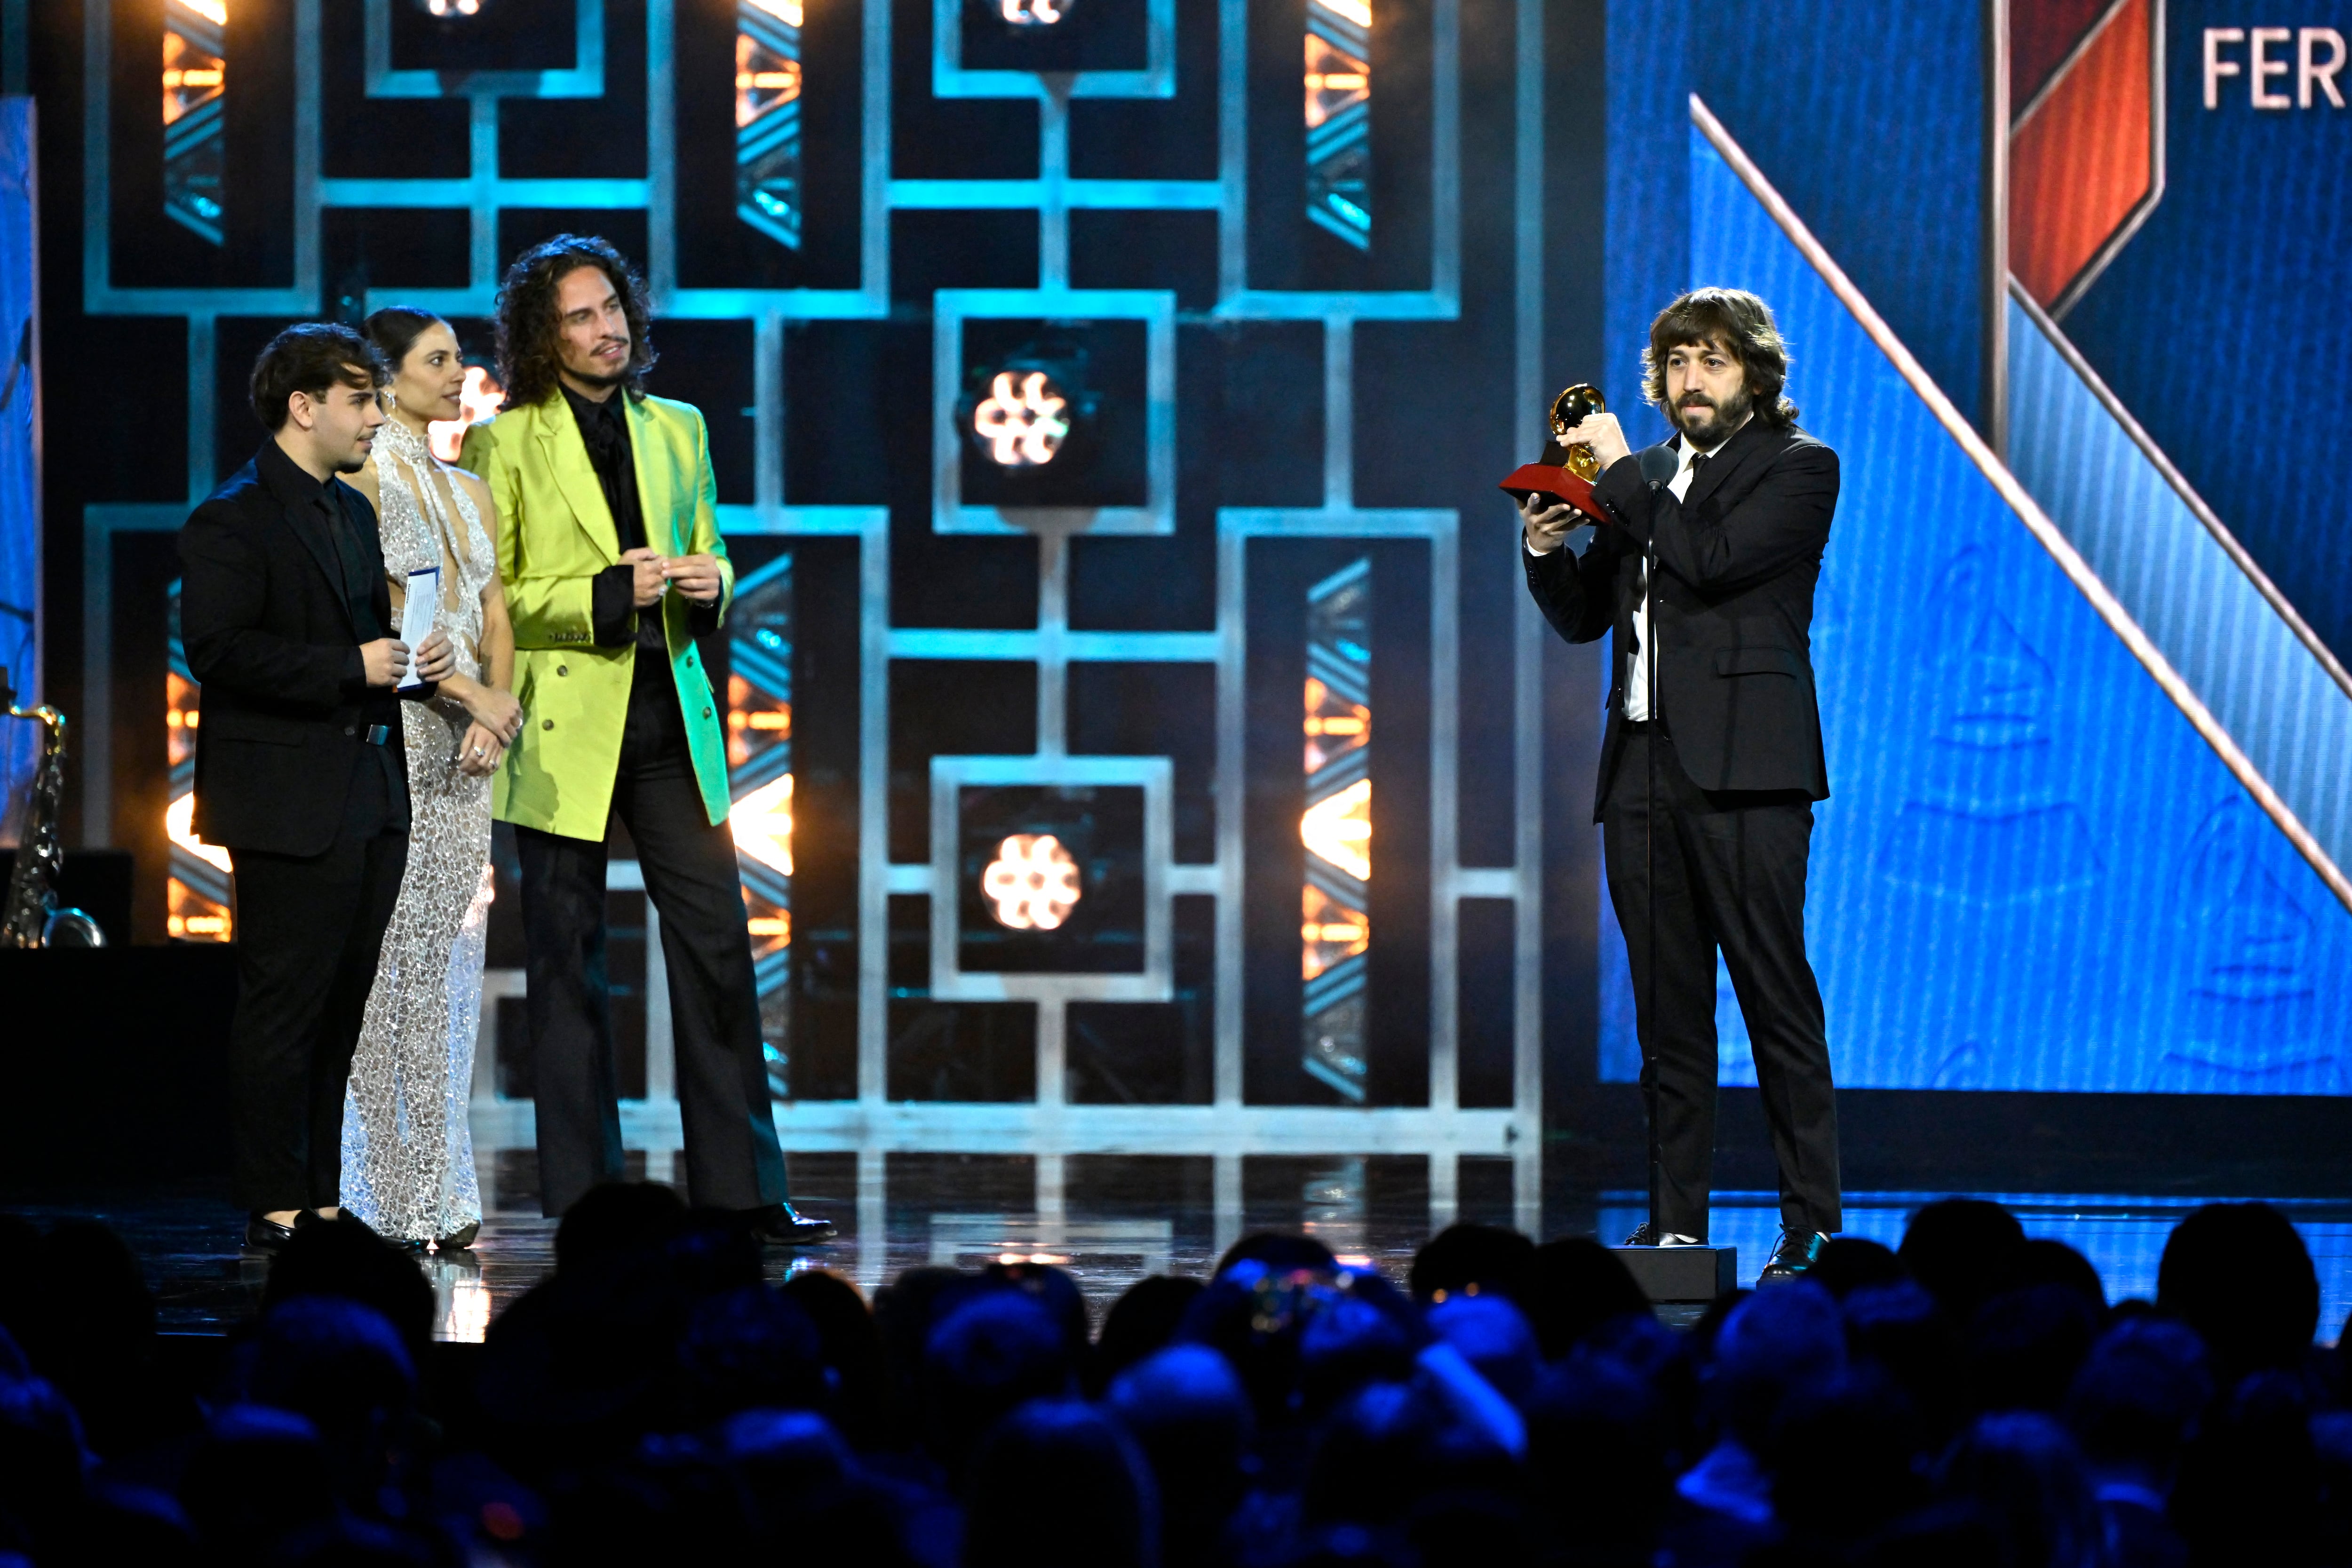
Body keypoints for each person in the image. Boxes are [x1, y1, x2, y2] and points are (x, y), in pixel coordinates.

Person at [460, 235, 831, 1244]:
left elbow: (709, 541)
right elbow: (500, 599)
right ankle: (590, 1203)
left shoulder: (679, 427)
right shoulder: (503, 442)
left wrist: (715, 578)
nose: (605, 327)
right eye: (580, 315)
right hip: (566, 730)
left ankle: (746, 1191)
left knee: (716, 946)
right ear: (544, 334)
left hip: (670, 718)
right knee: (568, 961)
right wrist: (603, 592)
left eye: (613, 308)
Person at [1519, 287, 1841, 1281]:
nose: (1688, 380)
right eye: (1674, 363)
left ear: (1755, 374)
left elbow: (1708, 561)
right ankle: (1673, 1226)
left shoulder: (1798, 469)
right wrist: (1544, 551)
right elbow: (1586, 617)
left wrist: (1616, 476)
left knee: (1773, 997)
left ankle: (1812, 1222)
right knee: (1667, 1013)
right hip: (1644, 769)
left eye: (1711, 361)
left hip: (1750, 768)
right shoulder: (1644, 476)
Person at [178, 323, 456, 1253]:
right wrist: (352, 662)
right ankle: (272, 1192)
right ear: (304, 406)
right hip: (288, 796)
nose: (378, 417)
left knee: (346, 1004)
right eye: (361, 400)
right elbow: (218, 651)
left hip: (365, 788)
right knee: (284, 1001)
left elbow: (367, 641)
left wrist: (416, 658)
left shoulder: (349, 509)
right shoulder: (235, 515)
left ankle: (325, 1193)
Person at [336, 306, 527, 1251]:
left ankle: (442, 1184)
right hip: (403, 735)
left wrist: (499, 704)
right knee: (391, 964)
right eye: (438, 359)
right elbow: (383, 614)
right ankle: (378, 1183)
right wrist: (459, 692)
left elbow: (497, 610)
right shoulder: (365, 477)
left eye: (461, 357)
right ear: (387, 375)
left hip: (469, 751)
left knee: (453, 964)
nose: (460, 373)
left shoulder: (471, 487)